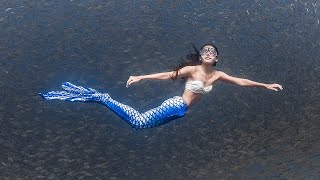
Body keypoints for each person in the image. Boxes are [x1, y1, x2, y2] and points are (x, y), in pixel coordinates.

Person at [39, 43, 283, 129]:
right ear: (201, 57)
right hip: (177, 104)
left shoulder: (218, 75)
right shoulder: (192, 70)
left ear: (216, 58)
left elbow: (241, 81)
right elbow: (168, 75)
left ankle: (103, 99)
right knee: (138, 122)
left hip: (181, 113)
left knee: (139, 127)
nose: (208, 53)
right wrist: (141, 77)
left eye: (213, 51)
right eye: (205, 51)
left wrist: (265, 85)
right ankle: (103, 98)